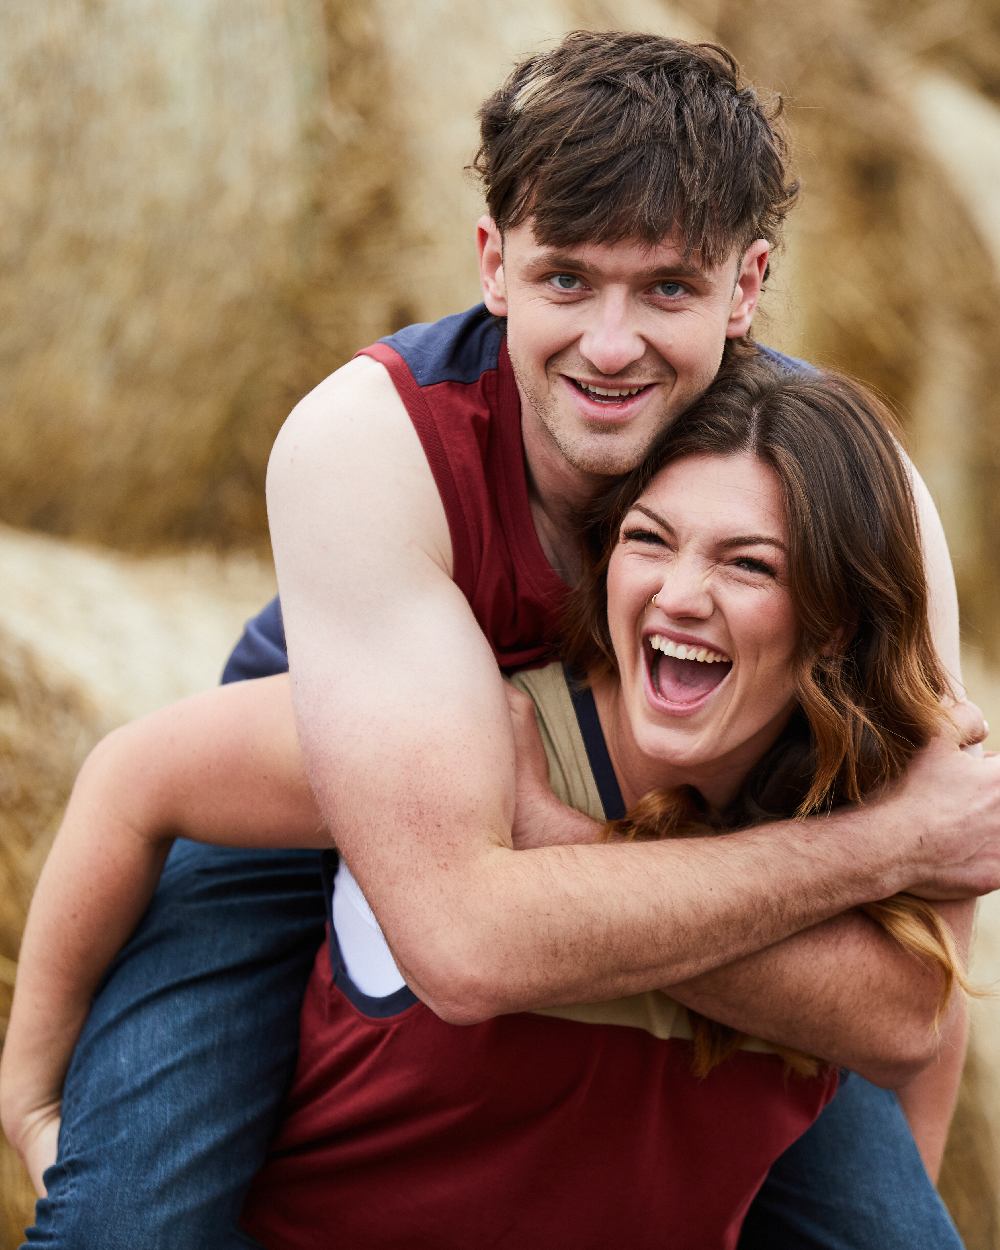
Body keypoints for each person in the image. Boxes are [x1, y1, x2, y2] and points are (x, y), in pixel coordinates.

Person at [5, 30, 997, 1250]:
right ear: (494, 265)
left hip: (690, 825)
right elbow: (463, 936)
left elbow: (913, 1003)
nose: (612, 341)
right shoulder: (370, 442)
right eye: (567, 279)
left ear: (747, 288)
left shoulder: (847, 497)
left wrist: (553, 843)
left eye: (668, 288)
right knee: (124, 1222)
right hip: (343, 770)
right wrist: (31, 1088)